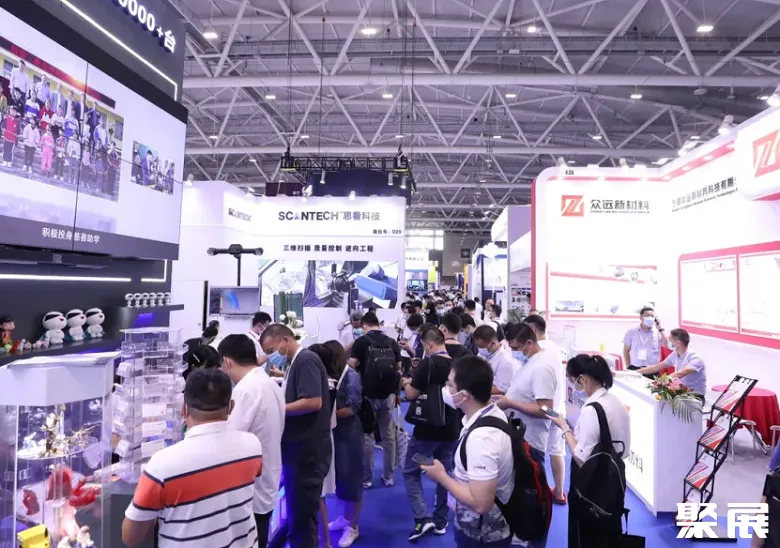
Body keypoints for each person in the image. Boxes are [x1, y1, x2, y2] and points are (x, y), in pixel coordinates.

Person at [121, 369, 263, 547]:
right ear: (231, 407)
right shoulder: (253, 446)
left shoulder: (162, 465)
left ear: (184, 409)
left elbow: (130, 537)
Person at [419, 356, 514, 548]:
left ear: (464, 395)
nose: (446, 389)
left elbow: (481, 503)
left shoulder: (482, 439)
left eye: (450, 385)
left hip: (482, 535)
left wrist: (441, 476)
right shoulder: (491, 412)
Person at [547, 354, 630, 548]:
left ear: (582, 379)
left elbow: (580, 457)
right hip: (614, 482)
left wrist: (564, 427)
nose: (573, 385)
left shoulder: (591, 410)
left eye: (572, 380)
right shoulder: (616, 402)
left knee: (586, 536)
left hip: (591, 487)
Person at [260, 324, 332, 548]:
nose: (272, 355)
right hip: (300, 451)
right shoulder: (296, 362)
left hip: (307, 453)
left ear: (285, 340)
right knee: (300, 516)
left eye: (272, 349)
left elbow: (313, 401)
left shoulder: (306, 360)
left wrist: (279, 409)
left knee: (302, 521)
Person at [219, 334, 285, 548]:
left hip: (252, 485)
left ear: (226, 362)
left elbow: (229, 438)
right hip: (268, 475)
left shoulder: (245, 390)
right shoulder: (268, 383)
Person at [494, 325, 556, 547]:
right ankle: (523, 533)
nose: (513, 352)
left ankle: (535, 538)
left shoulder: (542, 368)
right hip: (520, 438)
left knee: (534, 496)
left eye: (516, 348)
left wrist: (510, 402)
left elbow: (546, 410)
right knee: (520, 492)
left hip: (532, 443)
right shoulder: (529, 362)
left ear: (529, 343)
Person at [401, 326, 459, 541]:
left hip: (427, 429)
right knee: (445, 473)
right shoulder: (457, 365)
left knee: (410, 471)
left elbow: (411, 394)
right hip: (452, 428)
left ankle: (421, 518)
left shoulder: (429, 363)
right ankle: (441, 520)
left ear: (429, 343)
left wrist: (406, 383)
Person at [348, 312, 402, 489]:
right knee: (388, 435)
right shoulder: (392, 342)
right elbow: (399, 369)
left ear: (364, 325)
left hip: (368, 395)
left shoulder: (361, 342)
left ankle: (367, 479)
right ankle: (389, 476)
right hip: (388, 394)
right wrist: (397, 394)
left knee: (367, 436)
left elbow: (352, 366)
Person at [523, 314, 567, 505]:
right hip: (557, 408)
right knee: (557, 451)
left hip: (541, 408)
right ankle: (559, 491)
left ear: (534, 330)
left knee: (536, 452)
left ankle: (541, 493)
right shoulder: (555, 348)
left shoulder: (538, 350)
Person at [323, 340, 364, 548]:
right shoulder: (332, 374)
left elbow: (353, 408)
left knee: (352, 479)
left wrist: (327, 414)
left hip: (349, 434)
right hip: (336, 433)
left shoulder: (351, 376)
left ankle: (353, 526)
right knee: (340, 477)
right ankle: (345, 518)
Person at [308, 343, 339, 548]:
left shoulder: (323, 387)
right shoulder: (330, 383)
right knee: (318, 498)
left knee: (317, 498)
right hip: (325, 441)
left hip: (317, 444)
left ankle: (324, 542)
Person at [637, 328, 707, 398]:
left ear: (678, 343)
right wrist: (636, 372)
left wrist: (660, 382)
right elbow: (657, 367)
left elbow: (680, 373)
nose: (668, 342)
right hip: (682, 392)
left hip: (696, 396)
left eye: (670, 339)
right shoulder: (675, 354)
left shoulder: (696, 358)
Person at [471, 325, 515, 394]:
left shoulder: (505, 361)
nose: (479, 349)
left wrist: (476, 390)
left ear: (492, 344)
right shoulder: (482, 354)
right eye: (477, 346)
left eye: (481, 346)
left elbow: (502, 389)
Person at [623, 306, 668, 371]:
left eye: (652, 316)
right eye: (647, 316)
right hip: (635, 368)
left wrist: (660, 328)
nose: (650, 318)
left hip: (652, 369)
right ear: (641, 318)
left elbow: (667, 344)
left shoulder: (658, 332)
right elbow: (626, 350)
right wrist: (628, 366)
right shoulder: (631, 332)